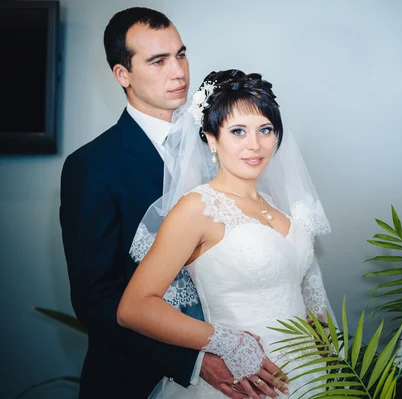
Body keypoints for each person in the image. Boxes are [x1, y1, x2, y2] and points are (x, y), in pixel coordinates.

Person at [60, 8, 275, 399]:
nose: (178, 72)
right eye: (158, 61)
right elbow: (95, 297)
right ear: (122, 75)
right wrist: (193, 361)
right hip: (142, 378)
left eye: (181, 54)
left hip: (246, 367)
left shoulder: (223, 141)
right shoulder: (92, 166)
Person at [117, 69, 336, 398]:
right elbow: (133, 308)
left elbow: (297, 290)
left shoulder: (279, 211)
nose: (255, 145)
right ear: (211, 137)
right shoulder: (196, 208)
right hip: (245, 379)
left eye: (265, 130)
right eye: (238, 131)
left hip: (308, 377)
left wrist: (323, 338)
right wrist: (228, 343)